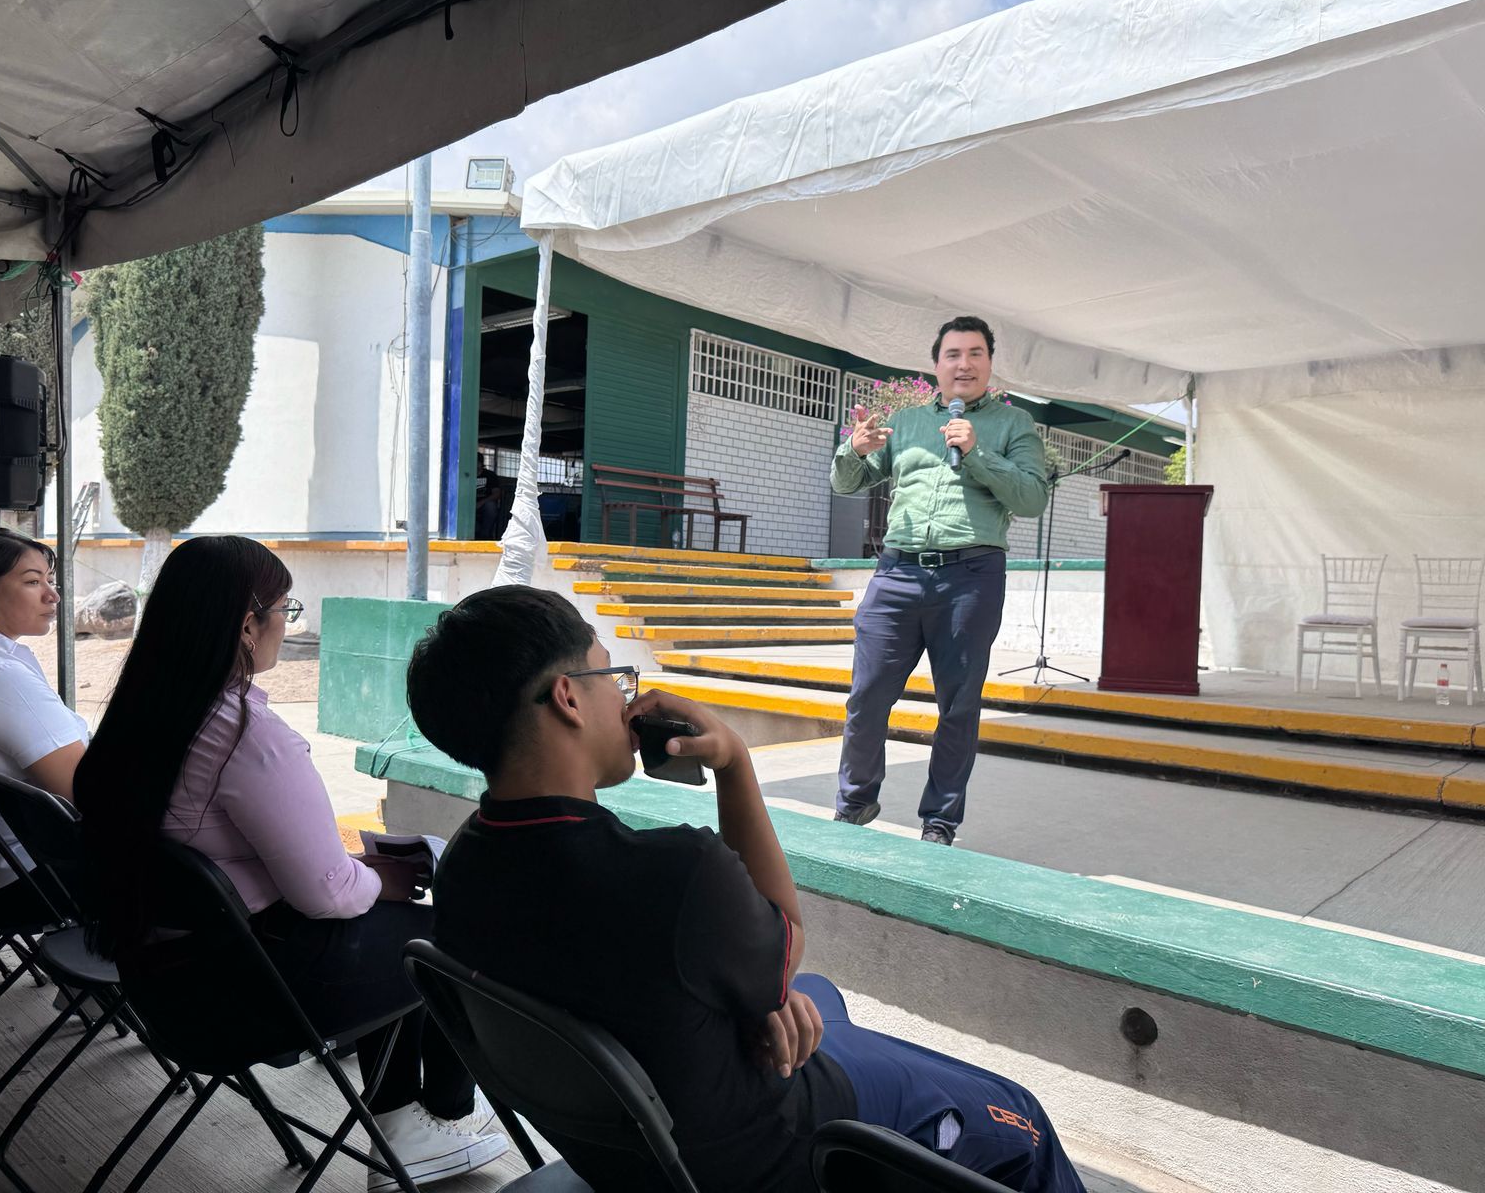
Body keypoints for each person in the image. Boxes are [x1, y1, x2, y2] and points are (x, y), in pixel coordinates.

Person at [406, 586, 1084, 1193]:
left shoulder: (462, 866)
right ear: (568, 698)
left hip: (629, 1152)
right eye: (612, 675)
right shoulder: (676, 874)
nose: (627, 697)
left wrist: (763, 997)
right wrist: (735, 763)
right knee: (1020, 1118)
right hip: (772, 1150)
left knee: (814, 998)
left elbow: (650, 975)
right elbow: (787, 937)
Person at [74, 536, 506, 1191]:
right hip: (243, 994)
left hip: (161, 976)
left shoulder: (142, 715)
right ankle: (442, 1115)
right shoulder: (246, 737)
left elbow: (217, 856)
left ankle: (401, 1121)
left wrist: (350, 873)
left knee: (390, 930)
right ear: (247, 627)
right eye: (285, 608)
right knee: (447, 941)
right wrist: (377, 876)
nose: (288, 622)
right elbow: (326, 894)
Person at [830, 316, 1050, 844]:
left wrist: (977, 452)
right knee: (866, 697)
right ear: (936, 365)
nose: (964, 364)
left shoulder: (1014, 425)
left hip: (970, 577)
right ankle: (855, 804)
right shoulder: (905, 421)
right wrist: (854, 450)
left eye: (975, 354)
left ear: (990, 364)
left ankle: (940, 821)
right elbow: (846, 483)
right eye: (953, 354)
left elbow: (1031, 498)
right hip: (897, 573)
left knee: (958, 705)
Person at [0, 527, 87, 927]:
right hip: (30, 872)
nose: (53, 595)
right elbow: (83, 792)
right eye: (33, 582)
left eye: (50, 580)